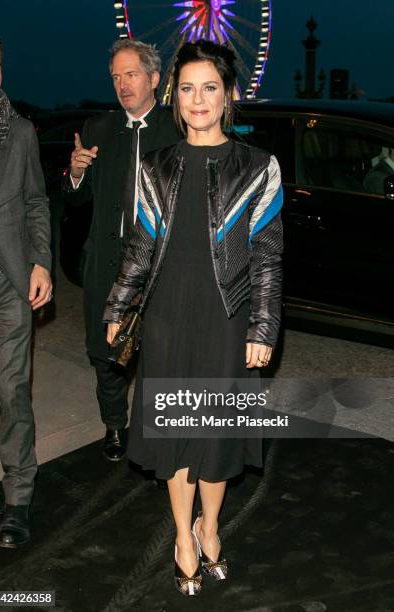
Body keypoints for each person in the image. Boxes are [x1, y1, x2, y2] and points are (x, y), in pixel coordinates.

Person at [105, 40, 283, 596]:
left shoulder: (259, 167)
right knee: (176, 434)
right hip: (167, 317)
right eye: (187, 88)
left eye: (209, 87)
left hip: (227, 320)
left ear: (229, 94)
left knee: (217, 437)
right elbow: (140, 245)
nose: (198, 99)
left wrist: (263, 326)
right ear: (174, 97)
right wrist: (119, 306)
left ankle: (211, 524)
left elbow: (268, 256)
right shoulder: (156, 166)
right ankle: (184, 535)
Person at [63, 40, 180, 462]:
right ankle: (114, 425)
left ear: (153, 78)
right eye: (115, 76)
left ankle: (155, 430)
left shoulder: (177, 131)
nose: (122, 84)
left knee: (156, 354)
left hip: (159, 267)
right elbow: (75, 201)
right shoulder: (97, 129)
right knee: (106, 353)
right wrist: (75, 174)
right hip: (107, 264)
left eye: (131, 74)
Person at [0, 29, 52, 548]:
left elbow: (36, 203)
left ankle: (18, 498)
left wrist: (41, 264)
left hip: (7, 284)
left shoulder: (22, 131)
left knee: (13, 394)